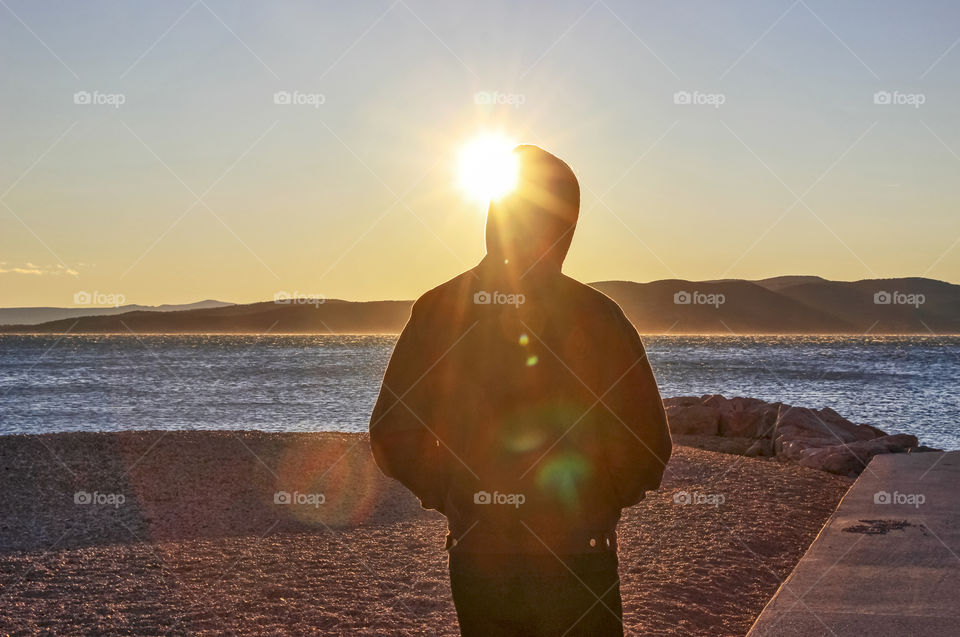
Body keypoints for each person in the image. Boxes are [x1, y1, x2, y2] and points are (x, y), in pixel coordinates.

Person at [369, 145, 672, 636]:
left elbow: (393, 432)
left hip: (484, 551)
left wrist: (454, 496)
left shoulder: (440, 308)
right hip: (576, 549)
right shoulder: (599, 316)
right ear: (568, 222)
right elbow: (647, 444)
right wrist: (598, 500)